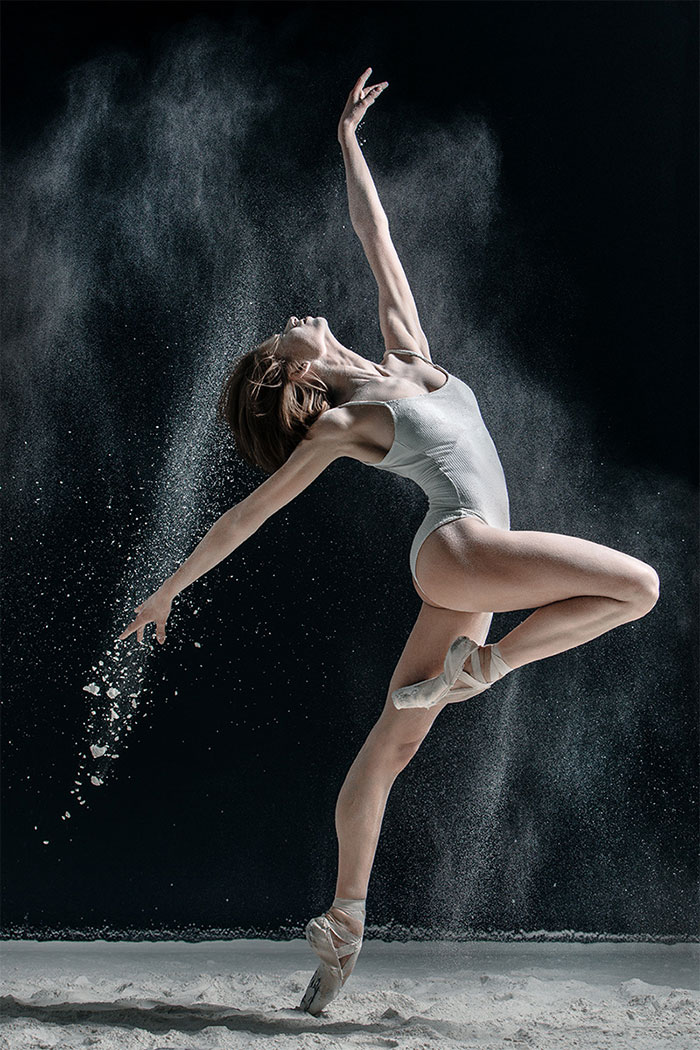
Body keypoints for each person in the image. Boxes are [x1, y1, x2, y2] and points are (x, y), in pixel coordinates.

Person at [118, 68, 660, 1014]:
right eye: (276, 341)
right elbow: (248, 516)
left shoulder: (408, 353)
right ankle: (485, 669)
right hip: (457, 548)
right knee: (639, 587)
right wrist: (170, 588)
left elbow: (379, 242)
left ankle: (343, 928)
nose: (291, 322)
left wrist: (348, 143)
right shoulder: (343, 422)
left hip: (469, 569)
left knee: (387, 752)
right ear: (291, 385)